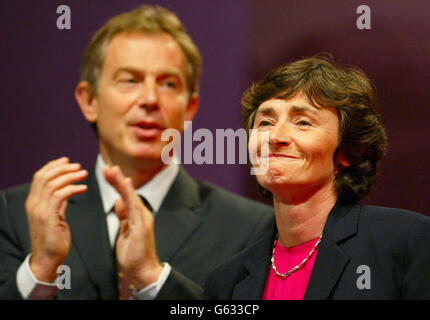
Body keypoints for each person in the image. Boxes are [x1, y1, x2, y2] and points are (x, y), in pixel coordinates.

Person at [0, 4, 273, 300]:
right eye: (129, 80)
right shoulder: (16, 214)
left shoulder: (248, 228)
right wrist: (40, 272)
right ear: (89, 100)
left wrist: (153, 279)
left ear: (189, 108)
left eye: (168, 83)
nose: (150, 99)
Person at [204, 56, 430, 299]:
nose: (276, 136)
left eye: (302, 122)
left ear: (347, 151)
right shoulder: (226, 283)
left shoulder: (406, 242)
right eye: (265, 122)